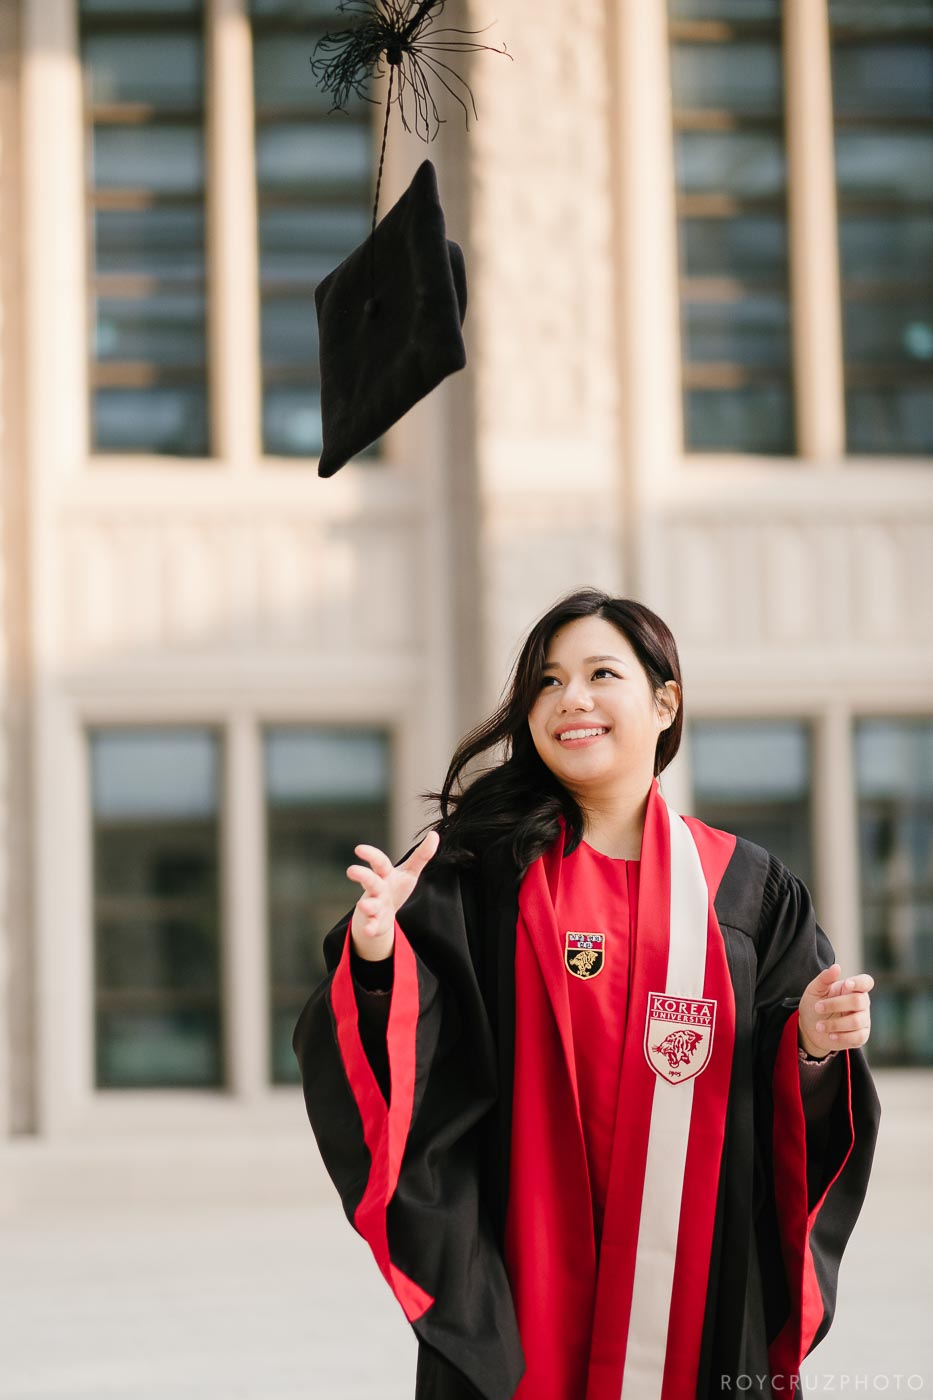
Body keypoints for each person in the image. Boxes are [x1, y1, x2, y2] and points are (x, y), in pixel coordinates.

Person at [292, 588, 880, 1400]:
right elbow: (401, 1066)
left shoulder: (745, 892)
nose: (570, 699)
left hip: (693, 1297)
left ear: (664, 700)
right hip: (522, 1275)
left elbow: (789, 1107)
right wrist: (376, 952)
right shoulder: (475, 874)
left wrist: (810, 1043)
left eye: (601, 673)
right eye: (546, 682)